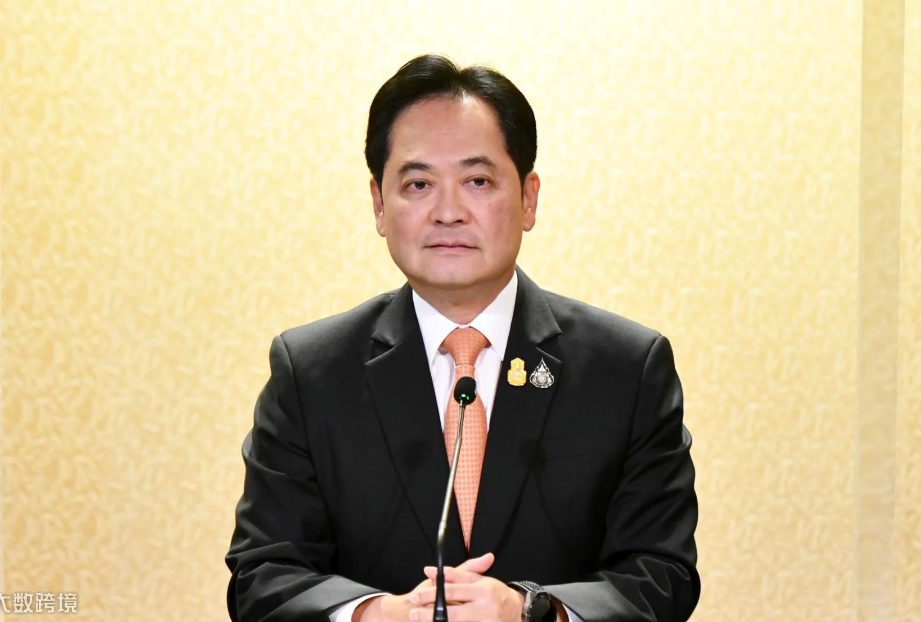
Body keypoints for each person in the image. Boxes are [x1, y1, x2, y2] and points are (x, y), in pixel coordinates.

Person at [226, 55, 699, 622]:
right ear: (379, 204)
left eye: (478, 181)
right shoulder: (311, 373)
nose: (448, 212)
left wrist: (534, 611)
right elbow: (263, 576)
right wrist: (375, 615)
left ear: (528, 198)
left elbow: (662, 574)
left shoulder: (625, 369)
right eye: (418, 184)